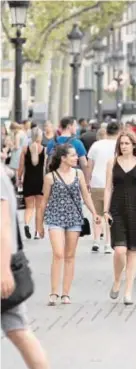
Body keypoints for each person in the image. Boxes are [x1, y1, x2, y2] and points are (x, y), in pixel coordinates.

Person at [39, 144, 101, 305]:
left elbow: (86, 196)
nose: (77, 158)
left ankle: (65, 293)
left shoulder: (78, 174)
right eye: (73, 156)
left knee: (70, 256)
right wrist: (39, 225)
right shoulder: (50, 177)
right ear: (63, 158)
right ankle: (53, 292)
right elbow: (43, 202)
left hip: (74, 217)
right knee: (58, 254)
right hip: (55, 217)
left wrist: (94, 213)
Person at [1, 163, 50, 369]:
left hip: (4, 263)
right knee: (18, 329)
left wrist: (3, 269)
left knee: (19, 330)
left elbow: (3, 225)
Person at [104, 131, 136, 305]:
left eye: (126, 143)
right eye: (121, 143)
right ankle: (117, 280)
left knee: (132, 251)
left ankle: (128, 291)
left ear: (133, 145)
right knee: (119, 250)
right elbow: (108, 188)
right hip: (116, 208)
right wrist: (105, 211)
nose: (123, 146)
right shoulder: (112, 163)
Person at [87, 122, 120, 253]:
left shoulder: (96, 145)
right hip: (112, 184)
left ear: (106, 131)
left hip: (96, 182)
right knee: (110, 214)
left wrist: (87, 181)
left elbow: (89, 165)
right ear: (119, 131)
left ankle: (96, 241)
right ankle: (108, 243)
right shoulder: (120, 146)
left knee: (97, 213)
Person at [17, 127, 46, 239]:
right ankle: (37, 233)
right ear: (40, 136)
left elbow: (20, 167)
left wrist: (19, 179)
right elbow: (45, 168)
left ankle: (26, 224)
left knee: (29, 207)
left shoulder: (25, 150)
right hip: (40, 182)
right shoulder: (44, 149)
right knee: (39, 208)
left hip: (28, 181)